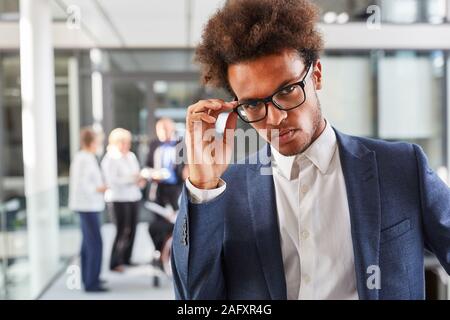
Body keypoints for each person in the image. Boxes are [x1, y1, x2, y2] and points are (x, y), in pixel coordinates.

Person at [171, 0, 450, 300]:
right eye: (253, 104)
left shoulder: (401, 167)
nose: (275, 118)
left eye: (287, 90)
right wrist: (203, 186)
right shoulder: (223, 194)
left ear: (316, 74)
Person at [69, 127, 108, 292]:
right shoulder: (83, 159)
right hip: (87, 206)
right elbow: (84, 184)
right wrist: (100, 189)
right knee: (95, 244)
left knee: (87, 244)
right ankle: (92, 282)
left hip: (90, 205)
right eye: (98, 140)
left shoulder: (87, 157)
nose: (100, 143)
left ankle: (89, 278)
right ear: (92, 142)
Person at [101, 128, 145, 272]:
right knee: (122, 231)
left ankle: (126, 258)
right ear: (116, 143)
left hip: (133, 197)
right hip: (118, 199)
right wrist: (132, 179)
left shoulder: (131, 156)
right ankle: (115, 262)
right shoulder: (110, 159)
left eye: (128, 142)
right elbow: (112, 181)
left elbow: (136, 173)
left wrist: (140, 180)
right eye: (124, 143)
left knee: (132, 230)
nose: (127, 145)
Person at [145, 118, 186, 271]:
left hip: (175, 190)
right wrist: (151, 174)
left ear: (172, 129)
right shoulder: (154, 145)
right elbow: (148, 165)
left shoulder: (181, 145)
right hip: (158, 190)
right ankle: (159, 252)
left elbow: (185, 168)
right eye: (160, 130)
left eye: (166, 130)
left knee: (174, 222)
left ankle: (171, 255)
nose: (163, 133)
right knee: (156, 225)